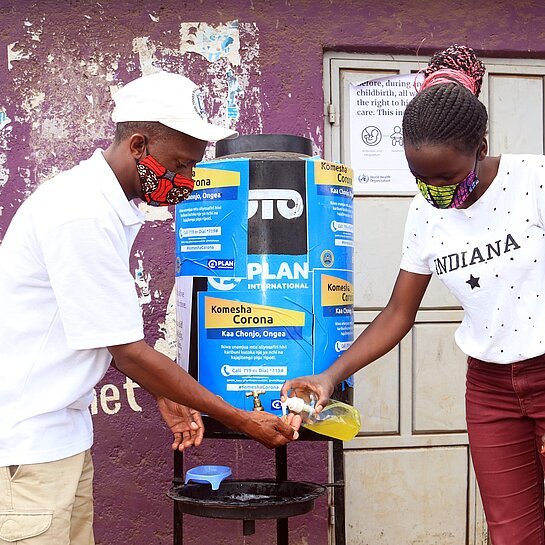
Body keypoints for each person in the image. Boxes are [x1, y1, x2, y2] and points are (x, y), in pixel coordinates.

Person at [0, 70, 300, 545]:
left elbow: (101, 332)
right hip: (25, 449)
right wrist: (243, 419)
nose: (187, 181)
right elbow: (128, 351)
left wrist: (164, 390)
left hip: (60, 439)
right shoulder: (81, 214)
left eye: (193, 167)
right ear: (138, 145)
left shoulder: (104, 205)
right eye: (180, 164)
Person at [281, 44, 545, 545]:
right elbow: (398, 313)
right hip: (490, 389)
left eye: (446, 177)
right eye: (420, 179)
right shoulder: (425, 214)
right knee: (515, 534)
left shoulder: (534, 181)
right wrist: (329, 375)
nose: (435, 191)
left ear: (480, 145)